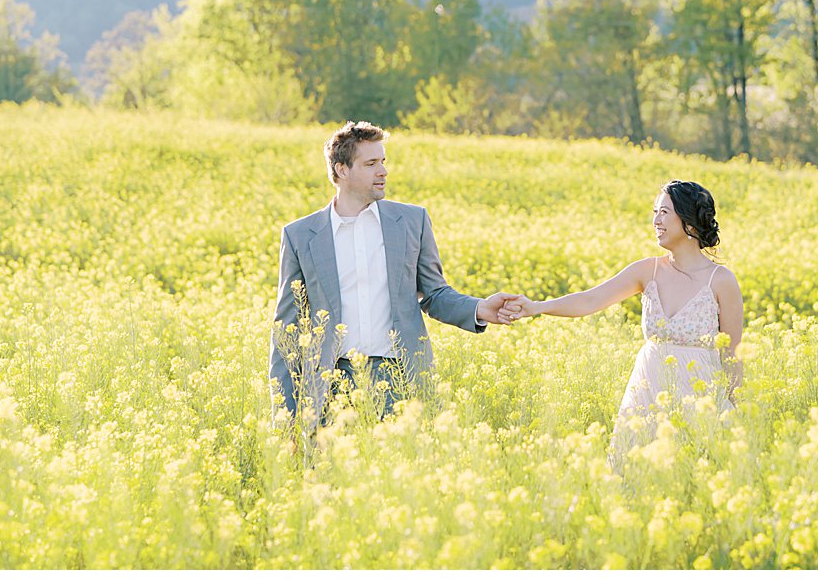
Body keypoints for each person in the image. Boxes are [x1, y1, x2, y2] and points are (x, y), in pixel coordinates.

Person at [269, 121, 519, 425]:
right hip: (329, 385)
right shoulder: (300, 236)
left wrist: (478, 309)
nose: (383, 171)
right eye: (371, 163)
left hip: (399, 380)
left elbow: (434, 294)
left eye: (383, 162)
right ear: (341, 170)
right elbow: (287, 330)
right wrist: (284, 417)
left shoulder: (413, 221)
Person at [505, 179, 743, 459]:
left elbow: (732, 355)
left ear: (689, 221)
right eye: (655, 211)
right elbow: (590, 299)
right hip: (648, 396)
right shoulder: (648, 271)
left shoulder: (721, 280)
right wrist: (536, 307)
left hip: (699, 399)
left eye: (664, 212)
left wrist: (736, 414)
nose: (655, 220)